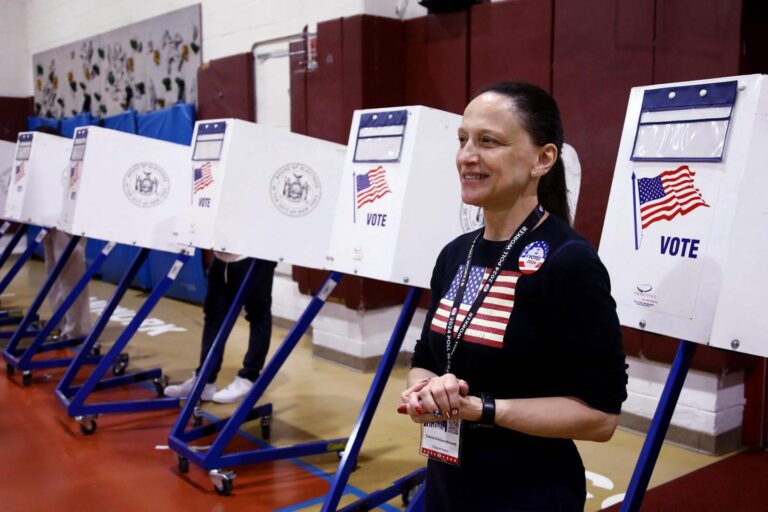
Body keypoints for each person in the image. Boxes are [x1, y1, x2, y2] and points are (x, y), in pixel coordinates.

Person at [399, 82, 628, 511]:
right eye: (463, 139)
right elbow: (426, 358)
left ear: (543, 159)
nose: (467, 156)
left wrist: (483, 409)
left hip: (529, 494)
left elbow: (601, 417)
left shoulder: (568, 262)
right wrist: (428, 390)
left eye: (488, 141)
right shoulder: (457, 254)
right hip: (447, 487)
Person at [164, 252, 276, 403]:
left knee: (258, 315)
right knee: (213, 316)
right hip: (222, 256)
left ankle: (249, 378)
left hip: (253, 256)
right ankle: (205, 380)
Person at [34, 125, 92, 340]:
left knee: (70, 274)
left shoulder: (71, 161)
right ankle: (61, 321)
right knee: (53, 272)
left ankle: (77, 329)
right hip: (51, 220)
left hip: (68, 223)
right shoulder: (50, 163)